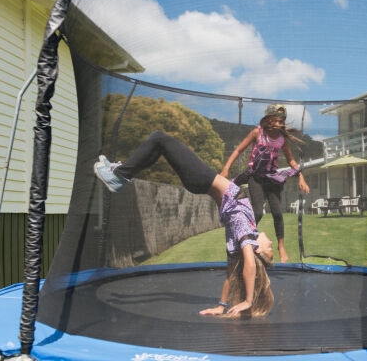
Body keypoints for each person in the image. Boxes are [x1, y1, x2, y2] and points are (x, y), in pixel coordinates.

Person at [93, 131, 274, 317]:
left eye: (270, 250)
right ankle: (120, 173)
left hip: (203, 179)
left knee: (159, 139)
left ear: (258, 250)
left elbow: (249, 264)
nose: (271, 244)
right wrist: (221, 306)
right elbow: (231, 274)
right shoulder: (243, 235)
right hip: (201, 182)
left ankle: (118, 176)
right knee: (158, 146)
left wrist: (248, 301)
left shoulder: (245, 231)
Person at [221, 104, 310, 264]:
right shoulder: (258, 132)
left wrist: (301, 176)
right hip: (256, 177)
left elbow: (290, 159)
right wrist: (226, 168)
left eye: (282, 120)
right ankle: (245, 241)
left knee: (277, 212)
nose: (280, 123)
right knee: (258, 212)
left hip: (271, 178)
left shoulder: (282, 139)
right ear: (269, 119)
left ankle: (281, 246)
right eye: (277, 119)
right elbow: (238, 150)